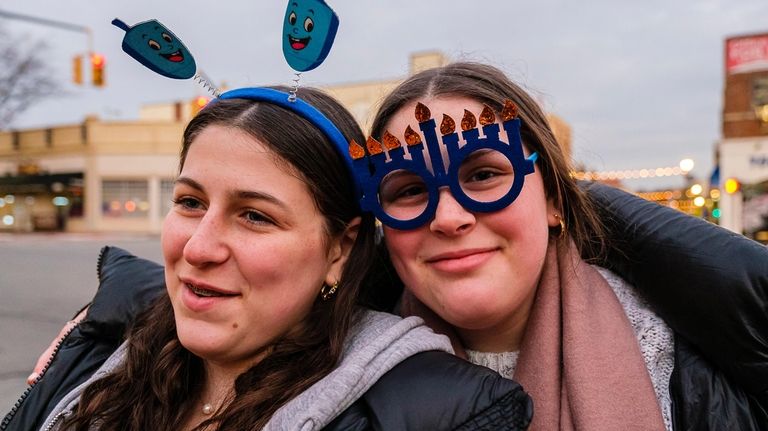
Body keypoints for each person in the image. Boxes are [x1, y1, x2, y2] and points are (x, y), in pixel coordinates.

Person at [3, 86, 532, 431]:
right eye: (190, 202)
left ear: (339, 249)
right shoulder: (99, 351)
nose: (199, 247)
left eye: (255, 216)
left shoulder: (436, 413)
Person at [364, 61, 768, 430]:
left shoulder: (685, 362)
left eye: (484, 174)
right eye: (410, 190)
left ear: (554, 200)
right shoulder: (335, 385)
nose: (449, 218)